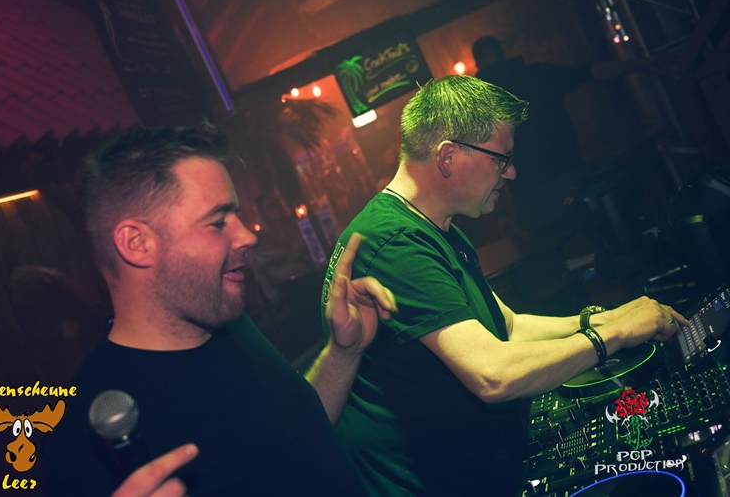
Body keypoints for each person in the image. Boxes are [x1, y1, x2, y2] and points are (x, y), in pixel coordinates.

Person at [321, 75, 687, 496]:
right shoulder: (395, 243)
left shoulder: (433, 228)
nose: (511, 172)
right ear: (448, 157)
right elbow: (492, 375)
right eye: (502, 158)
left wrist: (604, 318)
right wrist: (613, 336)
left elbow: (508, 325)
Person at [41, 122, 397, 496]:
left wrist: (344, 352)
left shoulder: (231, 325)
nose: (248, 236)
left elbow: (298, 436)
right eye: (217, 222)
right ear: (137, 244)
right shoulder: (93, 435)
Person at [471, 35, 647, 229]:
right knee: (598, 236)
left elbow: (483, 163)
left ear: (478, 64)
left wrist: (501, 213)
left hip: (532, 200)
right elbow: (597, 72)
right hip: (573, 182)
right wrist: (645, 64)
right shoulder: (539, 76)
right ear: (502, 53)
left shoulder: (479, 106)